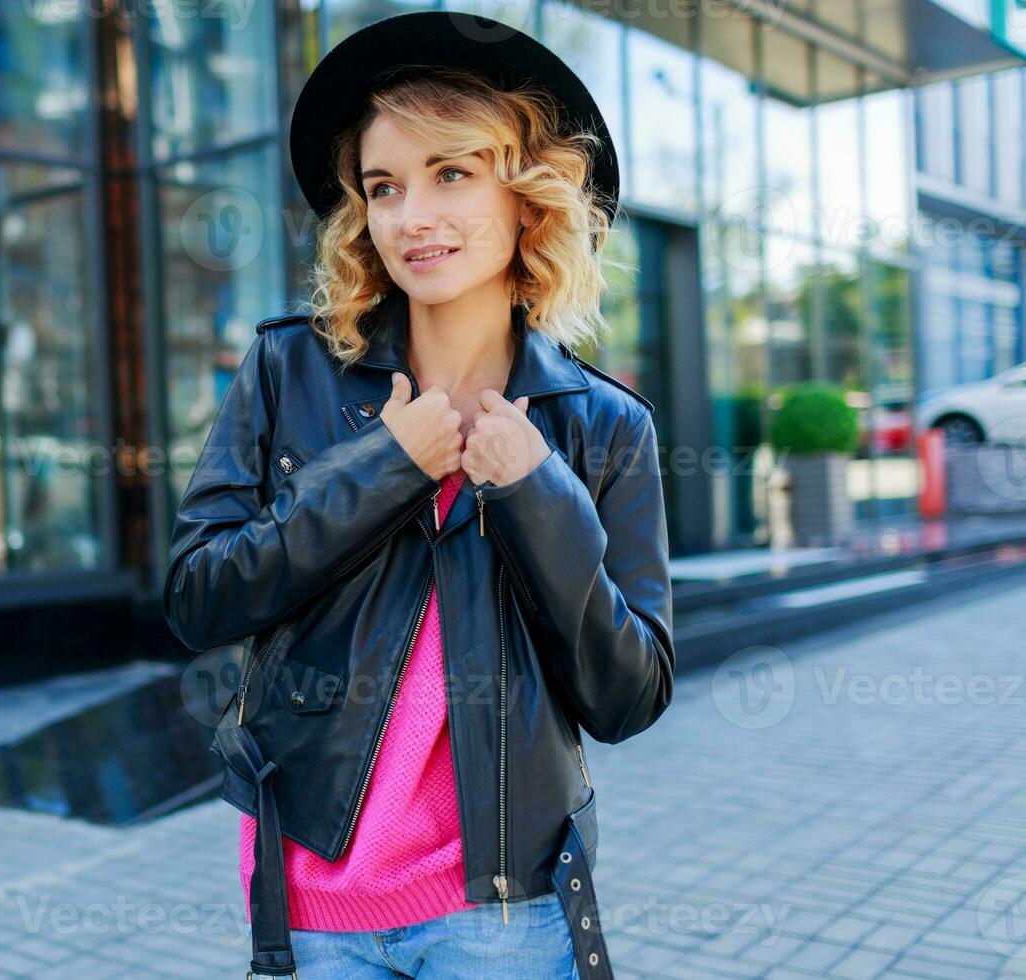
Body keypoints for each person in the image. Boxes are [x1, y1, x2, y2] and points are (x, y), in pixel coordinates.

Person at [163, 12, 675, 979]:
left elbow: (629, 694)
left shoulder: (607, 429)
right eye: (384, 187)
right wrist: (384, 468)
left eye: (451, 173)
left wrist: (539, 495)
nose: (411, 217)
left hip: (505, 913)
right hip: (312, 900)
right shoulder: (288, 371)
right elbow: (199, 598)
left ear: (528, 198)